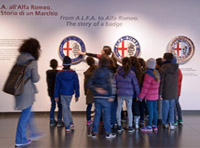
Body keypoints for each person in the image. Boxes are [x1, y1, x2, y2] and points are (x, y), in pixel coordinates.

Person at [15, 38, 43, 147]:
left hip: (18, 89)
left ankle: (25, 137)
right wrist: (39, 75)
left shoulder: (19, 58)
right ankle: (19, 140)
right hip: (27, 91)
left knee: (27, 114)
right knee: (25, 116)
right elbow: (35, 78)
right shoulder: (32, 61)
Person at [87, 56, 116, 139]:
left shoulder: (95, 72)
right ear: (107, 63)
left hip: (97, 97)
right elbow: (111, 85)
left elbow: (89, 84)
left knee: (97, 114)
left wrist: (96, 89)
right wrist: (111, 95)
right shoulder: (109, 73)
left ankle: (93, 132)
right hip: (106, 97)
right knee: (107, 115)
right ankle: (108, 133)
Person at [54, 56, 80, 132]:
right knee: (67, 107)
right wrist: (77, 95)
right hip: (70, 93)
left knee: (65, 108)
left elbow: (57, 86)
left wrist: (56, 95)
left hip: (62, 93)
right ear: (70, 64)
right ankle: (71, 122)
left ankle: (67, 126)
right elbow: (76, 85)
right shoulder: (74, 73)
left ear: (63, 64)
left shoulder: (59, 74)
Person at [115, 57, 140, 132]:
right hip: (129, 94)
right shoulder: (132, 73)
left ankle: (119, 126)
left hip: (120, 93)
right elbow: (136, 85)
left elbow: (115, 84)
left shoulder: (117, 73)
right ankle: (130, 126)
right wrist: (138, 94)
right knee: (129, 109)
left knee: (119, 109)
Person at [138, 58, 161, 132]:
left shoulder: (148, 74)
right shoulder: (157, 73)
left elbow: (145, 88)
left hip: (149, 97)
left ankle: (149, 126)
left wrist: (140, 97)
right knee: (155, 110)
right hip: (155, 96)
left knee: (150, 111)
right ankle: (155, 125)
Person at [159, 53, 179, 130]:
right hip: (174, 91)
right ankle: (171, 123)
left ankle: (165, 123)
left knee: (165, 107)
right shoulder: (176, 68)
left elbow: (162, 83)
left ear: (165, 59)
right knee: (171, 107)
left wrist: (160, 93)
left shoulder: (162, 68)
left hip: (166, 91)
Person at [46, 59, 63, 127]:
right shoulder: (59, 73)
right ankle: (59, 121)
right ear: (56, 65)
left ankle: (52, 121)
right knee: (60, 106)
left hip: (50, 92)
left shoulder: (48, 72)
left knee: (52, 106)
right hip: (58, 92)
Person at [130, 56, 145, 129]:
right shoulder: (140, 71)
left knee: (131, 107)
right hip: (140, 92)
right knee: (140, 106)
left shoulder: (129, 71)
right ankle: (139, 121)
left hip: (130, 92)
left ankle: (131, 122)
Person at [83, 56, 97, 126]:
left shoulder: (87, 73)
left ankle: (88, 120)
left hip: (90, 91)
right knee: (98, 106)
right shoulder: (98, 70)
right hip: (98, 90)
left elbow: (85, 83)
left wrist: (85, 91)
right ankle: (98, 120)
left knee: (89, 106)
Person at [172, 57, 183, 126]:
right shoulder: (178, 70)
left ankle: (175, 120)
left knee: (173, 105)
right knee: (177, 104)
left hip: (174, 90)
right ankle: (180, 119)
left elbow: (176, 81)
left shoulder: (175, 70)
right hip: (177, 90)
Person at [156, 58, 163, 125]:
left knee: (159, 105)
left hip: (159, 90)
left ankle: (159, 119)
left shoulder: (159, 71)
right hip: (161, 90)